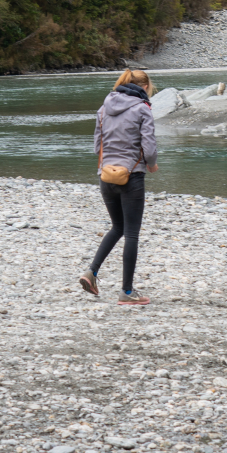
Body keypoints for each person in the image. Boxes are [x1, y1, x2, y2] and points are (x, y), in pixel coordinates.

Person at [81, 67, 157, 305]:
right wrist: (152, 164)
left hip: (106, 176)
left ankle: (91, 273)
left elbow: (96, 146)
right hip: (131, 176)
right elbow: (150, 147)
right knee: (131, 233)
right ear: (144, 88)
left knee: (117, 227)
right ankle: (126, 293)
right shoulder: (142, 109)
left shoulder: (103, 109)